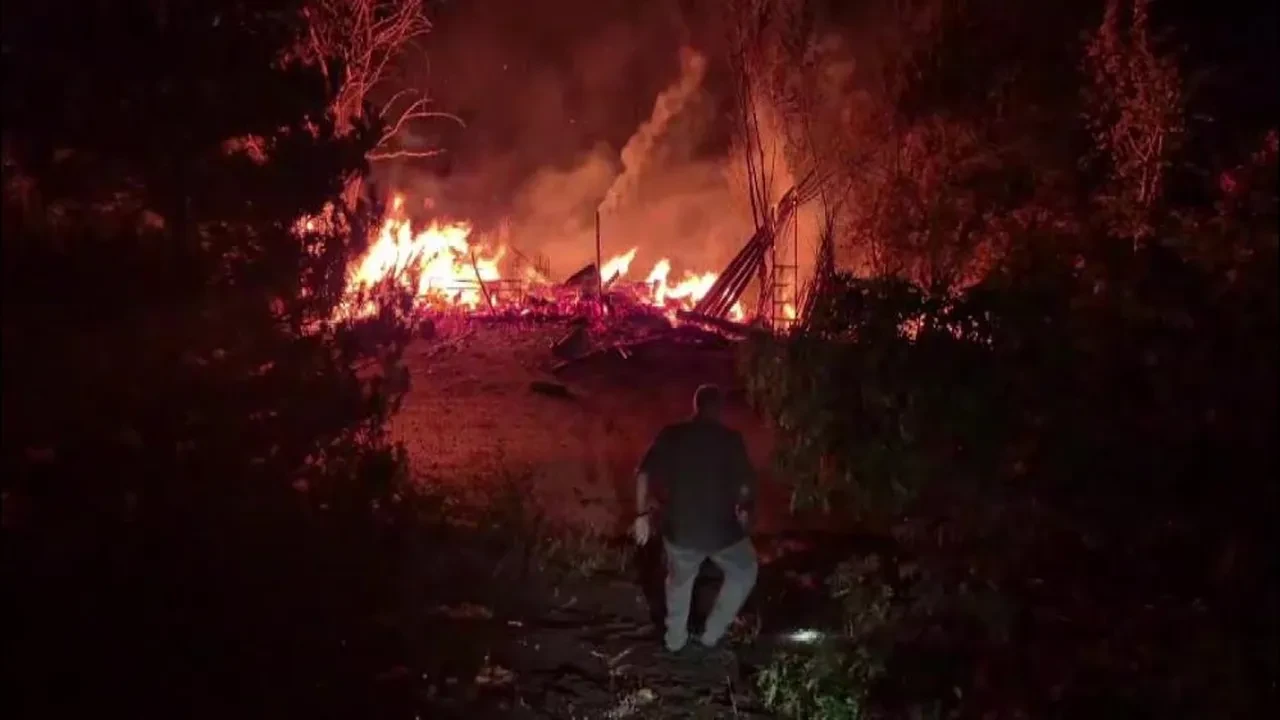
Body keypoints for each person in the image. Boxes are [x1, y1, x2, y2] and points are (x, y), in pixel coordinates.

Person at [632, 383, 758, 655]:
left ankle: (675, 641)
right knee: (745, 570)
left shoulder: (672, 435)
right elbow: (745, 490)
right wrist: (745, 511)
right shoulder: (731, 439)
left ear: (695, 406)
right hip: (722, 533)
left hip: (681, 531)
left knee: (679, 581)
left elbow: (643, 474)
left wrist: (642, 515)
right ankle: (712, 634)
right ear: (719, 409)